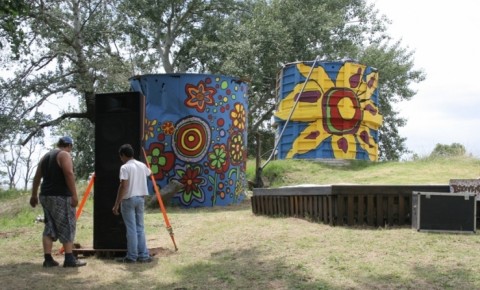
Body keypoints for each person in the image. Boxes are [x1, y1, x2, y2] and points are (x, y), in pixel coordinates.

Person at [30, 136, 87, 268]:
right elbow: (68, 173)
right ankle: (69, 259)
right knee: (67, 223)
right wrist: (74, 194)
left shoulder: (45, 157)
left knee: (49, 226)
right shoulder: (64, 155)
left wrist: (34, 195)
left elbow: (37, 177)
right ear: (69, 146)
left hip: (45, 195)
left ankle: (48, 259)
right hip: (60, 196)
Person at [112, 144, 152, 263]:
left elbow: (123, 186)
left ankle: (132, 256)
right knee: (140, 227)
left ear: (123, 155)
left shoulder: (125, 167)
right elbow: (150, 173)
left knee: (131, 229)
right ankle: (144, 255)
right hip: (140, 199)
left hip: (128, 200)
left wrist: (116, 204)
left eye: (121, 156)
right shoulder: (142, 165)